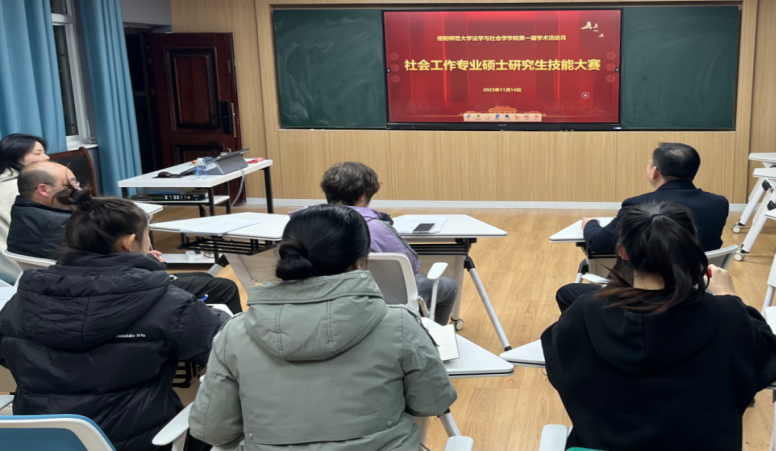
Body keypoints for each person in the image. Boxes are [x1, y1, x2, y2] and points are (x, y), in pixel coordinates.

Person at [189, 204, 457, 451]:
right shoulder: (399, 325)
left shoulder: (234, 334)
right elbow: (433, 402)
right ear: (360, 262)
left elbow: (214, 430)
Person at [541, 202, 776, 451]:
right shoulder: (727, 315)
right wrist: (730, 298)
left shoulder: (584, 312)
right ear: (690, 249)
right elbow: (769, 358)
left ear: (623, 251)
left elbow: (559, 365)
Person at [0, 190, 229, 451]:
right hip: (141, 443)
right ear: (128, 242)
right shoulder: (169, 303)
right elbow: (223, 346)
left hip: (40, 443)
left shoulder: (22, 300)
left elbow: (8, 355)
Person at [8, 161, 243, 312]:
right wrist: (144, 260)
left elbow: (92, 259)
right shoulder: (61, 223)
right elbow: (99, 268)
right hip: (109, 295)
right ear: (44, 189)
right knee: (223, 286)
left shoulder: (23, 213)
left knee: (203, 277)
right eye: (71, 183)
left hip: (71, 292)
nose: (77, 188)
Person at [556, 142, 730, 310]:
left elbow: (600, 243)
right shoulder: (719, 203)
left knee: (567, 293)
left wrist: (590, 224)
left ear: (655, 171)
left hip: (645, 293)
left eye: (649, 163)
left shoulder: (639, 205)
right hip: (695, 287)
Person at [320, 162, 458, 325]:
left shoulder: (301, 223)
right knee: (448, 286)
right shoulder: (376, 228)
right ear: (362, 196)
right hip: (379, 298)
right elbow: (411, 266)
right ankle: (429, 335)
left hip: (322, 297)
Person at [0, 133, 49, 283]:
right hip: (20, 266)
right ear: (15, 156)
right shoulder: (20, 189)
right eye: (38, 153)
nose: (46, 157)